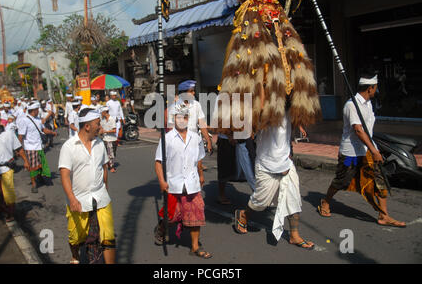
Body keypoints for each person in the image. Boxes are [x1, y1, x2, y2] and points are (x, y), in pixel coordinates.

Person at [318, 73, 406, 227]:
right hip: (350, 153)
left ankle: (384, 215)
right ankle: (325, 202)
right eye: (375, 88)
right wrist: (374, 150)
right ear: (370, 88)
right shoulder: (352, 105)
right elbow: (358, 130)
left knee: (380, 179)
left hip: (367, 150)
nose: (376, 90)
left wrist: (372, 149)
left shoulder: (368, 103)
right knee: (342, 180)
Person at [233, 97, 315, 250]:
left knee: (294, 199)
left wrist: (300, 125)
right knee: (261, 202)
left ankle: (294, 235)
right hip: (266, 165)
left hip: (286, 164)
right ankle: (243, 214)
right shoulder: (263, 111)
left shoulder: (290, 111)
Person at [154, 103, 212, 259]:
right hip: (173, 184)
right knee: (171, 217)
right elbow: (158, 162)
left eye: (184, 117)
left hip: (192, 183)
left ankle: (194, 246)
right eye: (178, 117)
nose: (182, 120)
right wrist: (161, 181)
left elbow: (199, 159)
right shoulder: (167, 139)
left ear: (188, 118)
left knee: (197, 212)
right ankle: (161, 228)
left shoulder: (196, 137)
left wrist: (200, 175)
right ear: (174, 118)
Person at [59, 108, 116, 264]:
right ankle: (75, 255)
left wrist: (105, 190)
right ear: (87, 126)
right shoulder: (69, 146)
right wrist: (72, 199)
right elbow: (64, 175)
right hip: (79, 201)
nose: (100, 126)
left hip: (101, 198)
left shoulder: (100, 144)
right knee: (75, 237)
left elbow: (104, 168)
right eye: (98, 124)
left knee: (108, 236)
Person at [18, 102, 57, 193]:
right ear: (34, 110)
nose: (38, 111)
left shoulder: (38, 119)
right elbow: (20, 136)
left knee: (40, 165)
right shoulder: (25, 120)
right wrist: (18, 149)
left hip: (39, 146)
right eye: (37, 110)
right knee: (33, 167)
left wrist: (52, 132)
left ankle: (39, 179)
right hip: (30, 147)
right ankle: (34, 184)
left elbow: (43, 129)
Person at [167, 80, 213, 154]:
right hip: (180, 144)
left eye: (193, 91)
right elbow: (171, 128)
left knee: (195, 164)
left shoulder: (196, 105)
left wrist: (208, 141)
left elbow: (202, 125)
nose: (193, 93)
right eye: (191, 91)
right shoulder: (175, 107)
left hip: (194, 142)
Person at [100, 107, 117, 173]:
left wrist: (106, 131)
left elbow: (114, 130)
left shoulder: (112, 119)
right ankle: (110, 166)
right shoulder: (103, 119)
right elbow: (101, 126)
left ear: (105, 112)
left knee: (112, 154)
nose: (101, 114)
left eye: (102, 112)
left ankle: (111, 166)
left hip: (112, 139)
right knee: (107, 153)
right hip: (105, 139)